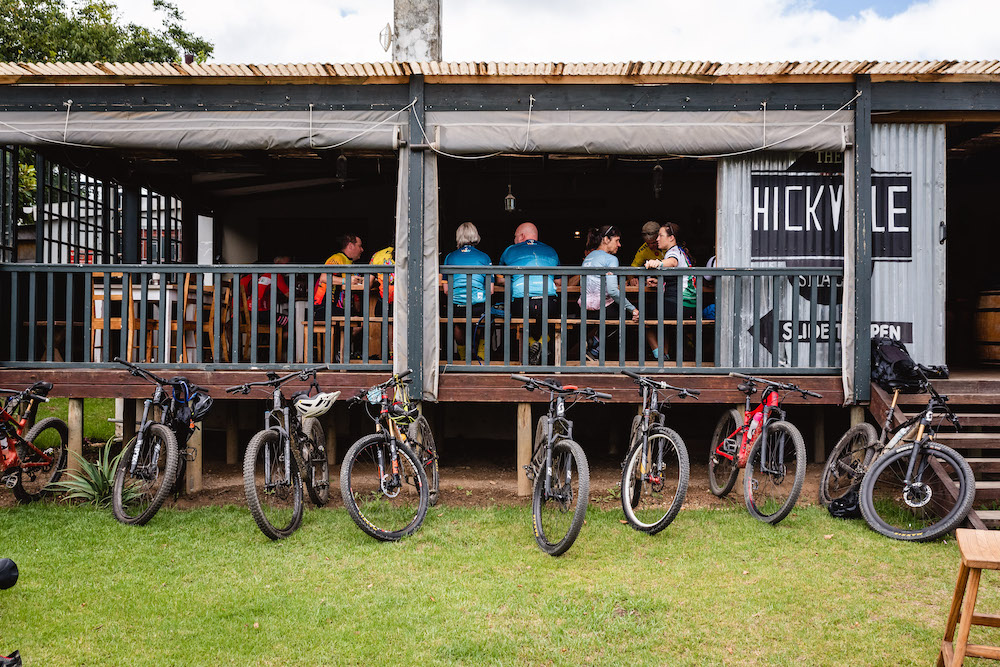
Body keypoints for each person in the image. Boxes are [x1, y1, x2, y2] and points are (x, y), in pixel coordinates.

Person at [498, 222, 560, 365]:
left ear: (521, 236)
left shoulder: (510, 250)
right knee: (553, 318)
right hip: (549, 302)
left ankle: (533, 343)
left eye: (515, 237)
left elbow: (500, 279)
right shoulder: (551, 251)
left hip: (522, 303)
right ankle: (542, 343)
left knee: (517, 317)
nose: (514, 240)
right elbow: (559, 282)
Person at [579, 225, 639, 360]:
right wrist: (633, 309)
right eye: (617, 240)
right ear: (606, 239)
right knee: (627, 314)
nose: (619, 245)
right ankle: (594, 347)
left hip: (584, 308)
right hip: (602, 309)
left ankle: (592, 343)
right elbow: (612, 291)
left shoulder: (589, 257)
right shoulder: (611, 259)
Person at [644, 222, 696, 360]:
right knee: (662, 321)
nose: (657, 239)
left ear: (671, 238)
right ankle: (665, 355)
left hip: (680, 304)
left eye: (660, 235)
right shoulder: (679, 251)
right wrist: (659, 282)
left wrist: (658, 263)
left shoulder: (673, 252)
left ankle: (658, 355)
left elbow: (672, 262)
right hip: (686, 305)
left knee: (642, 316)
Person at [442, 222, 493, 360]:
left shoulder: (450, 257)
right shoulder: (484, 257)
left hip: (457, 306)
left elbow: (446, 290)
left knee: (458, 325)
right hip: (478, 306)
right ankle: (481, 356)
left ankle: (464, 358)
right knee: (487, 320)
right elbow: (490, 290)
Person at [313, 233, 364, 317]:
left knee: (358, 318)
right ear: (350, 246)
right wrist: (347, 280)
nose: (362, 249)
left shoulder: (350, 262)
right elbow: (324, 277)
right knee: (356, 320)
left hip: (337, 308)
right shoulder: (338, 258)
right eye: (360, 246)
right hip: (324, 307)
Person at [239, 255, 291, 326]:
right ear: (278, 263)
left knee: (278, 318)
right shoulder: (276, 275)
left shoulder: (265, 275)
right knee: (289, 320)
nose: (289, 267)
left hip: (249, 312)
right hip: (259, 313)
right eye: (287, 264)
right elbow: (289, 294)